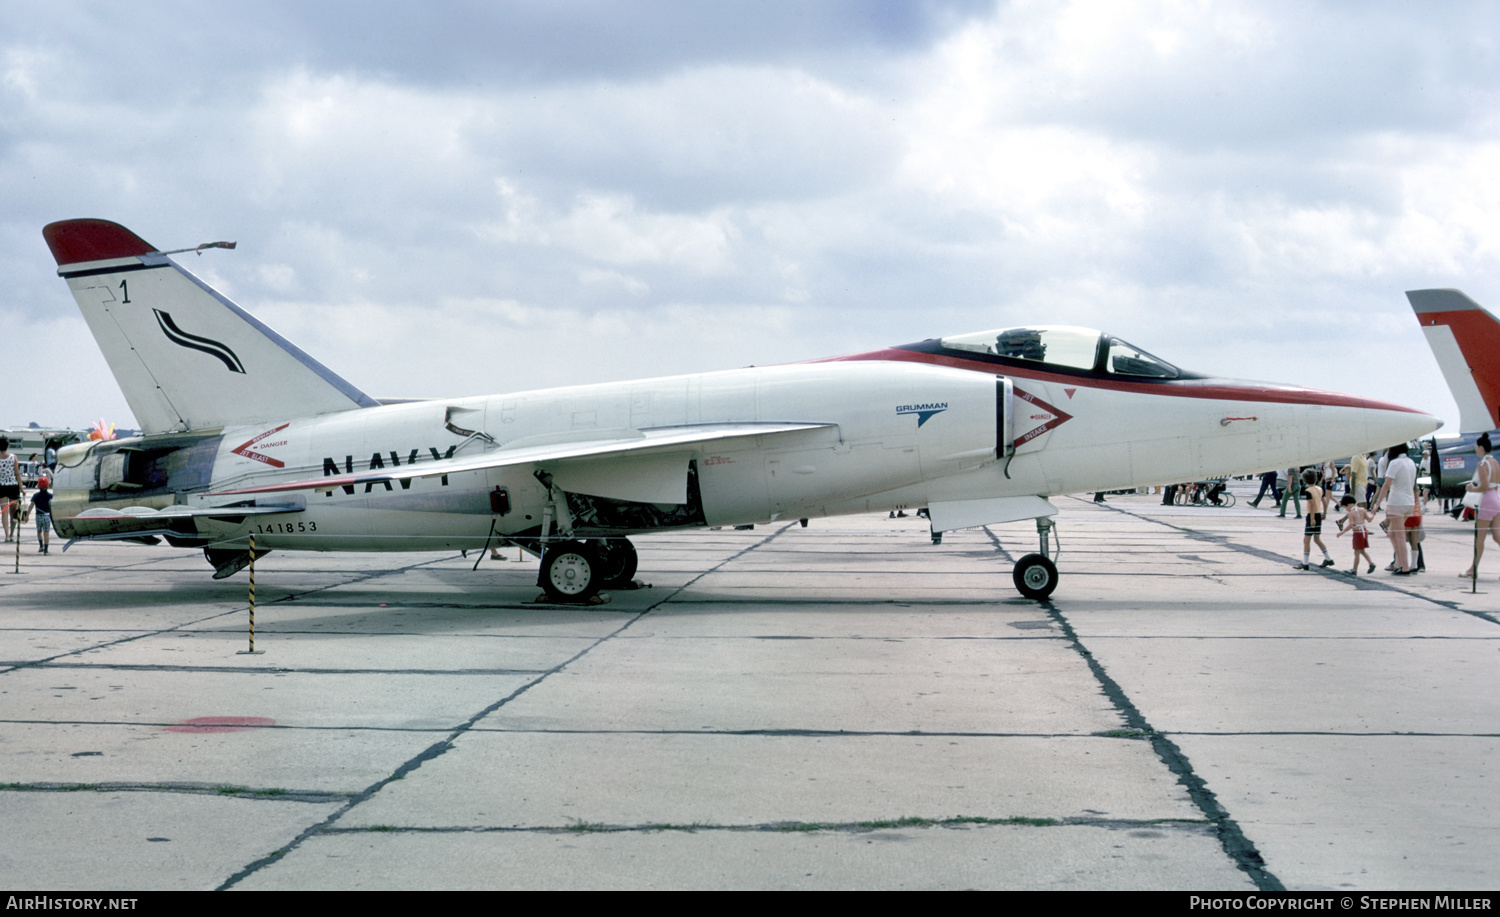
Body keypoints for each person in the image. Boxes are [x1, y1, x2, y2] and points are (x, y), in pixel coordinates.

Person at [1373, 443, 1418, 575]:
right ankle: (1399, 563)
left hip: (1397, 502)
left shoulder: (1395, 463)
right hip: (1409, 502)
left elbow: (1386, 484)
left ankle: (1404, 566)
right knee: (1392, 533)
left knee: (1399, 536)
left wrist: (1377, 503)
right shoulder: (1411, 462)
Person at [1461, 432, 1500, 578]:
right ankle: (1473, 568)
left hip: (1487, 501)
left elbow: (1483, 486)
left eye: (1477, 447)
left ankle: (1473, 569)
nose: (1476, 450)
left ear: (1481, 448)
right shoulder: (1495, 463)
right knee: (1498, 537)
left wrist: (1471, 488)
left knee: (1479, 539)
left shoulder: (1483, 464)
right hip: (1496, 499)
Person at [1297, 468, 1335, 569]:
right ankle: (1328, 558)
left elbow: (1311, 505)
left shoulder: (1308, 491)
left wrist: (1312, 518)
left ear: (1304, 480)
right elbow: (1324, 502)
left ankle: (1305, 563)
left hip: (1311, 515)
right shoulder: (1319, 489)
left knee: (1306, 540)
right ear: (1316, 478)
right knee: (1317, 539)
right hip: (1319, 514)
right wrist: (1325, 513)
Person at [1335, 494, 1376, 575]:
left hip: (1357, 533)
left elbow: (1351, 525)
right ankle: (1371, 563)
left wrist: (1342, 532)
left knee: (1357, 552)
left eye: (1345, 507)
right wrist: (1373, 514)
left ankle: (1354, 569)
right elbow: (1369, 519)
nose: (1346, 509)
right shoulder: (1362, 510)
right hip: (1364, 532)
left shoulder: (1351, 513)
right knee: (1362, 550)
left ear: (1347, 505)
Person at [0, 436, 20, 543]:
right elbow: (17, 473)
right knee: (14, 511)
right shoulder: (13, 457)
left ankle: (7, 535)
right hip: (13, 485)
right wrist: (21, 487)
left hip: (1, 486)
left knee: (4, 512)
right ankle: (12, 534)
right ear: (7, 445)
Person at [30, 476, 52, 555]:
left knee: (39, 531)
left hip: (38, 516)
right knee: (46, 533)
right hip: (47, 516)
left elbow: (31, 505)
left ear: (38, 486)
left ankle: (41, 546)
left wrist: (27, 515)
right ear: (48, 485)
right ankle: (46, 550)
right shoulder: (50, 496)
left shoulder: (35, 496)